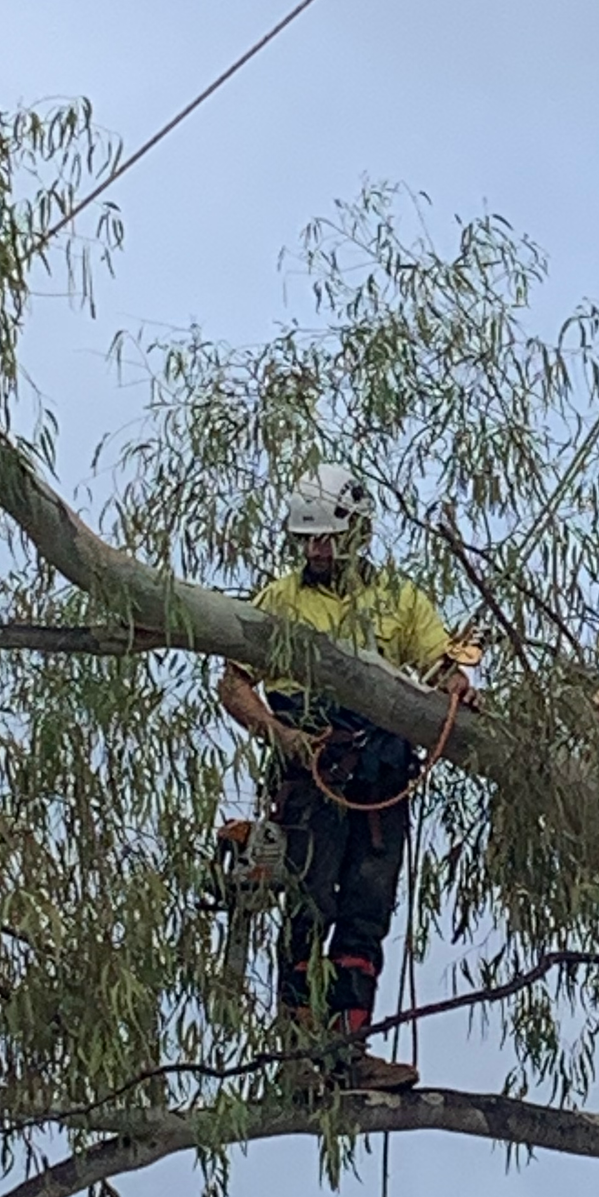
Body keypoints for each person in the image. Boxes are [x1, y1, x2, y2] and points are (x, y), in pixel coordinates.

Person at [216, 463, 475, 1091]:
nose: (317, 549)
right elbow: (234, 683)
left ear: (358, 531)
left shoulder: (400, 601)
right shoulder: (279, 600)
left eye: (328, 537)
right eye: (307, 539)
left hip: (383, 777)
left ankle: (349, 1048)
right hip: (312, 775)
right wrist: (283, 736)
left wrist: (456, 684)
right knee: (309, 906)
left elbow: (442, 662)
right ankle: (300, 1052)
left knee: (366, 914)